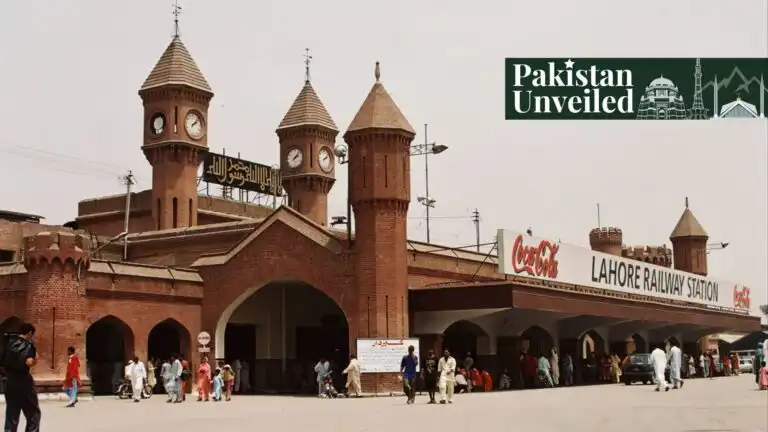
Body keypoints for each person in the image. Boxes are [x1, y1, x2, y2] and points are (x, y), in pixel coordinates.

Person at [1, 322, 42, 431]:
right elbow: (28, 362)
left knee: (12, 413)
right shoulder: (28, 345)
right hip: (24, 382)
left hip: (9, 381)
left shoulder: (7, 343)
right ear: (29, 333)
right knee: (33, 412)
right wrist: (36, 360)